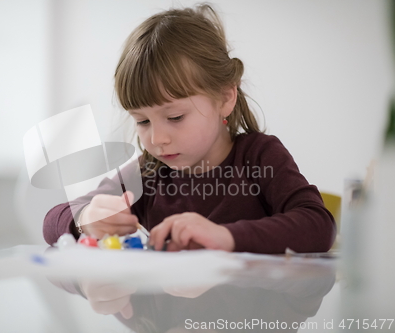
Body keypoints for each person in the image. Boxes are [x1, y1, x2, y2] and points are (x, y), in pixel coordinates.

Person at [43, 4, 336, 253]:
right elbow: (52, 221)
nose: (157, 139)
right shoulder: (147, 172)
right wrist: (84, 219)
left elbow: (319, 225)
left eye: (175, 117)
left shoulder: (259, 156)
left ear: (225, 98)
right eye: (142, 121)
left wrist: (227, 237)